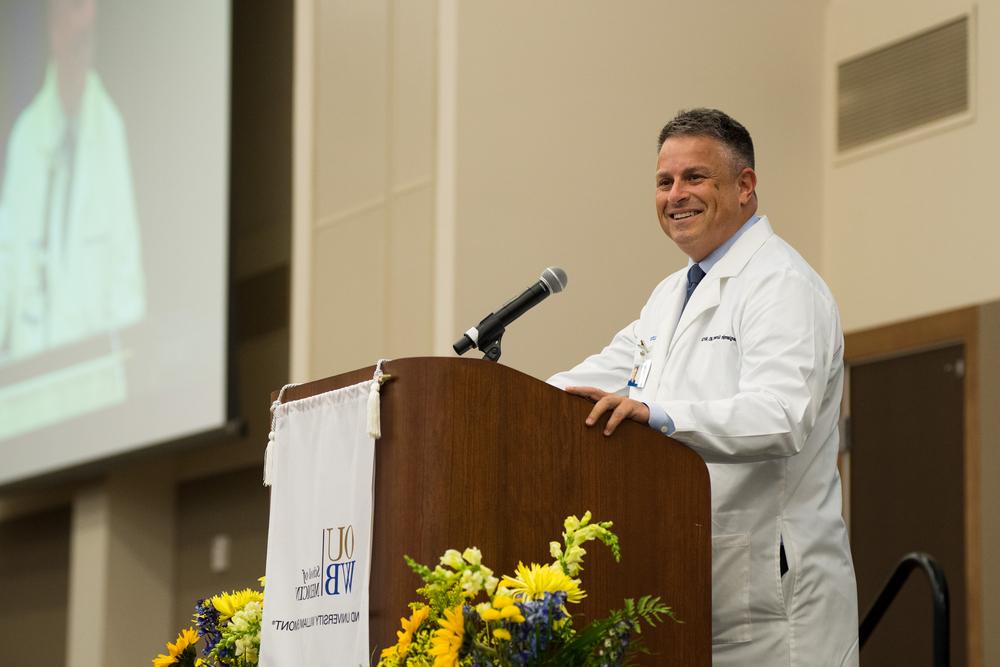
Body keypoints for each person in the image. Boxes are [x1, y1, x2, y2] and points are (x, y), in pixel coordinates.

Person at [548, 108, 858, 665]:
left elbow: (780, 416)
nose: (675, 195)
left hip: (774, 602)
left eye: (695, 177)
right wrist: (489, 402)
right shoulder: (670, 295)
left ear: (745, 186)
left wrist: (659, 415)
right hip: (694, 584)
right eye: (664, 182)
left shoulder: (782, 285)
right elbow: (594, 378)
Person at [0, 0, 144, 363]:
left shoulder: (110, 129)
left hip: (92, 368)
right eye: (77, 9)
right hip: (31, 371)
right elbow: (7, 265)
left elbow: (126, 269)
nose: (88, 19)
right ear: (54, 28)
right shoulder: (26, 138)